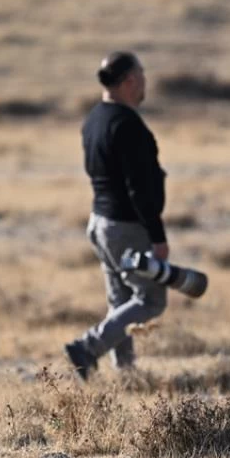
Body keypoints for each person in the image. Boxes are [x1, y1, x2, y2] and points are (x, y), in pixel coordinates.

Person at [64, 51, 169, 380]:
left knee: (121, 299)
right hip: (126, 226)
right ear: (130, 81)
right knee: (151, 299)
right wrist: (157, 235)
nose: (144, 83)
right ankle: (87, 347)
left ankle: (125, 373)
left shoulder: (94, 118)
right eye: (142, 76)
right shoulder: (127, 125)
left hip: (100, 224)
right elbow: (138, 188)